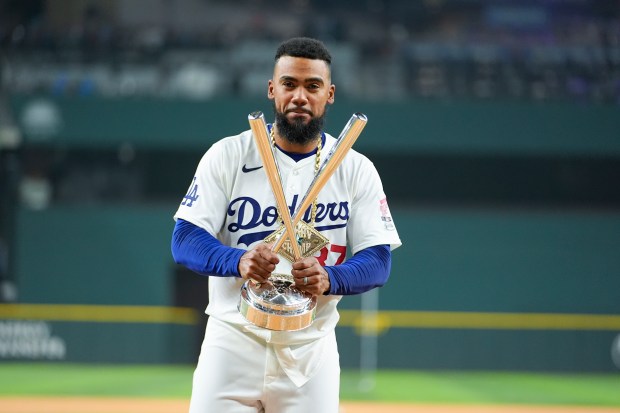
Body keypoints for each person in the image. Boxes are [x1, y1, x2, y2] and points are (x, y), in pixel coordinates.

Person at [171, 37, 401, 413]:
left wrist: (331, 278)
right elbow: (184, 238)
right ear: (271, 89)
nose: (299, 96)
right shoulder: (229, 154)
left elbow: (378, 261)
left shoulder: (356, 169)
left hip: (311, 349)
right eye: (289, 84)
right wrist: (238, 260)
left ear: (329, 94)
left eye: (312, 86)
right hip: (232, 340)